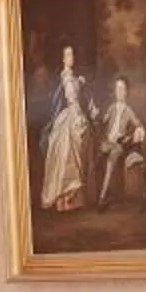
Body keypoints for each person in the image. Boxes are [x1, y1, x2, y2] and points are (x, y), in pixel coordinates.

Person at [40, 45, 96, 213]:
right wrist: (79, 114)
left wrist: (80, 83)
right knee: (67, 149)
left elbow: (82, 96)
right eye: (68, 55)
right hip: (71, 115)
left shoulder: (75, 77)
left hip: (77, 113)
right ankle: (65, 200)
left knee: (82, 144)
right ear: (63, 59)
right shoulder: (65, 77)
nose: (71, 57)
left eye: (72, 54)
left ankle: (73, 200)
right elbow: (71, 98)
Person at [99, 75, 146, 206]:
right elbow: (103, 121)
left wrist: (136, 133)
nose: (119, 92)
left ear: (126, 92)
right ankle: (101, 195)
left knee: (112, 159)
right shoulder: (111, 108)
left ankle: (102, 197)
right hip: (107, 143)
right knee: (101, 151)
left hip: (118, 145)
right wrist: (96, 116)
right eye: (117, 89)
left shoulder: (129, 111)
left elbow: (139, 125)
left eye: (122, 89)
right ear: (115, 92)